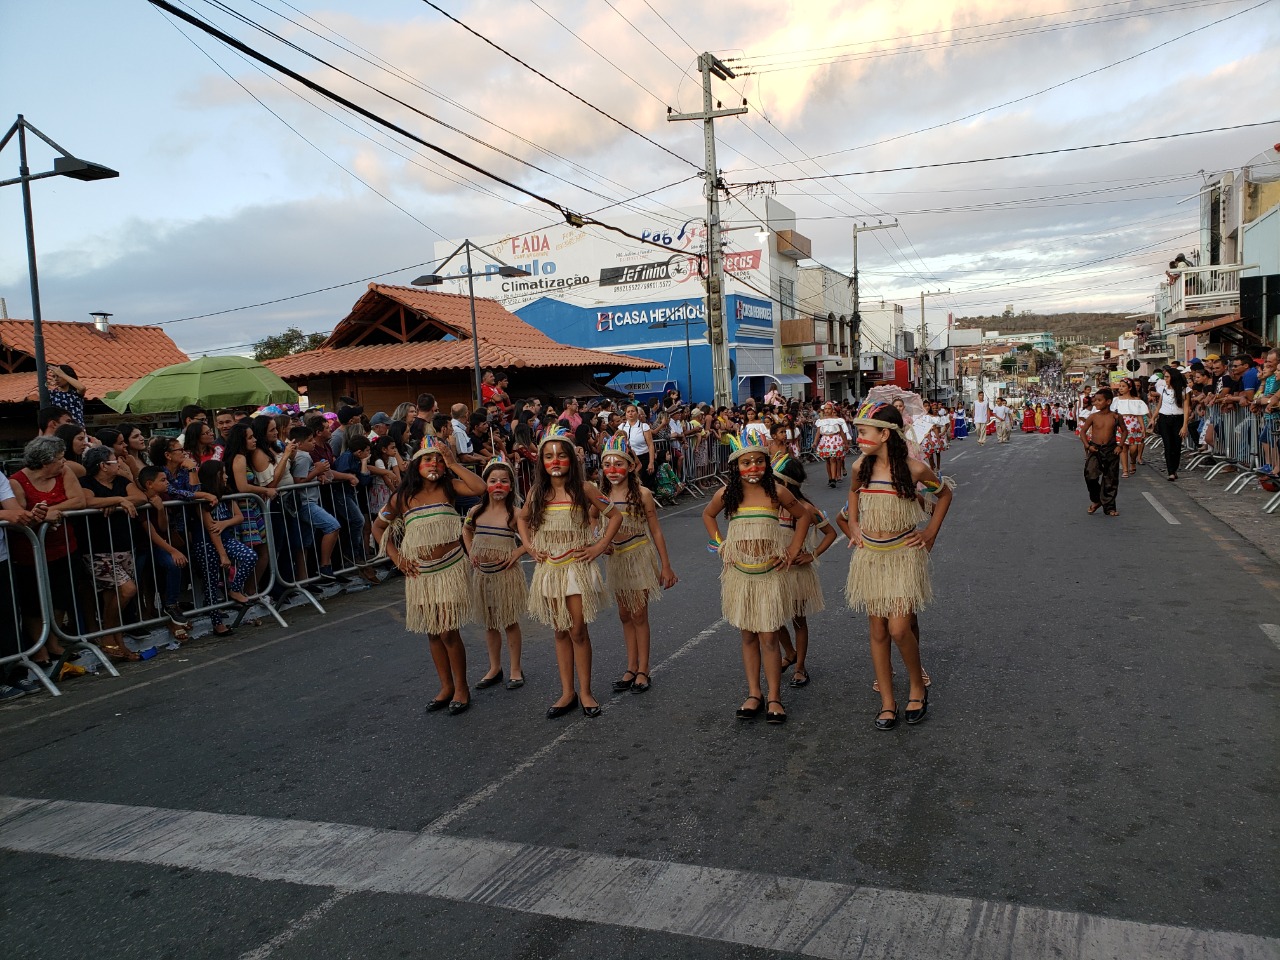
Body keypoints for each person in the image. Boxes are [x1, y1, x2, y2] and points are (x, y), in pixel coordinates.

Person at [843, 402, 953, 730]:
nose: (858, 438)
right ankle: (888, 702)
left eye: (864, 431)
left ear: (885, 434)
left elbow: (944, 495)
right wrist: (854, 526)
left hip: (903, 556)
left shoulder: (915, 469)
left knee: (899, 629)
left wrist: (930, 533)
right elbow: (853, 494)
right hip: (871, 558)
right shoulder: (860, 466)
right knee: (878, 630)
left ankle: (917, 686)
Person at [702, 431, 810, 726]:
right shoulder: (727, 494)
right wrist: (721, 544)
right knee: (748, 634)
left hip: (769, 574)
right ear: (735, 466)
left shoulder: (777, 492)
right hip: (740, 574)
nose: (753, 467)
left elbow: (803, 516)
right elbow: (708, 515)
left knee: (770, 636)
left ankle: (774, 696)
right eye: (746, 462)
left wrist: (792, 550)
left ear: (767, 463)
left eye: (759, 461)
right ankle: (754, 693)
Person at [373, 434, 486, 714]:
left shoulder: (450, 488)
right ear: (416, 464)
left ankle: (461, 688)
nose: (434, 463)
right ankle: (446, 686)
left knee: (448, 630)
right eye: (427, 459)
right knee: (433, 632)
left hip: (450, 568)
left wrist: (453, 462)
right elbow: (378, 528)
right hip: (420, 574)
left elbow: (480, 487)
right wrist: (397, 558)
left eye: (438, 459)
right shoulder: (402, 498)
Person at [517, 425, 622, 719]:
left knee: (578, 630)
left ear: (571, 460)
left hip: (576, 568)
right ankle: (567, 692)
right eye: (549, 456)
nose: (555, 461)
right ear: (541, 462)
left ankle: (585, 691)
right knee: (560, 630)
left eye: (561, 456)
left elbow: (615, 515)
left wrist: (599, 546)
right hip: (550, 570)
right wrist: (529, 547)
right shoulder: (537, 492)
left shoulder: (585, 488)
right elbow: (522, 519)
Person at [598, 435, 677, 696]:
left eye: (618, 464)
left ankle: (643, 668)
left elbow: (656, 530)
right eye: (607, 465)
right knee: (624, 614)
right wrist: (600, 541)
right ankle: (631, 666)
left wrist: (666, 566)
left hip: (639, 555)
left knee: (639, 614)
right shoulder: (601, 495)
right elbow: (590, 519)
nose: (612, 470)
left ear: (631, 466)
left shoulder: (642, 494)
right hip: (616, 560)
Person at [9, 436, 87, 676]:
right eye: (60, 459)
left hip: (64, 547)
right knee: (33, 601)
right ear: (45, 462)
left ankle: (54, 642)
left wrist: (50, 511)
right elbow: (20, 515)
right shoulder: (17, 481)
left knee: (61, 595)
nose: (64, 463)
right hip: (30, 551)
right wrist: (41, 517)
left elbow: (79, 500)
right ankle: (39, 648)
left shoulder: (64, 473)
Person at [771, 454, 836, 689]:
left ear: (786, 483)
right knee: (772, 617)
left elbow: (831, 533)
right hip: (773, 569)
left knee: (798, 619)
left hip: (797, 573)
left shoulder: (806, 508)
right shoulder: (770, 506)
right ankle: (790, 652)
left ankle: (800, 667)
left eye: (775, 480)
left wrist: (812, 554)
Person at [463, 455, 527, 692]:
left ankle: (515, 669)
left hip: (505, 576)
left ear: (511, 485)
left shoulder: (516, 514)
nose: (498, 485)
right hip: (483, 575)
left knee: (509, 621)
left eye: (504, 481)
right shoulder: (476, 511)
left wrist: (517, 552)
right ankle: (494, 667)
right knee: (489, 623)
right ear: (485, 484)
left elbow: (533, 539)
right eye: (493, 481)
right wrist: (471, 550)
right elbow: (466, 530)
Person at [1081, 388, 1125, 516]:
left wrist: (1120, 446)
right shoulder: (1093, 417)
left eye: (1099, 400)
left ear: (1108, 401)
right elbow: (1083, 432)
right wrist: (1087, 446)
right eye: (1095, 400)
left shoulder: (1116, 416)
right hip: (1095, 449)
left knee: (1110, 478)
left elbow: (1124, 431)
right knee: (1090, 475)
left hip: (1111, 449)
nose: (1096, 403)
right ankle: (1097, 500)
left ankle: (1109, 507)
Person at [1152, 367, 1190, 480]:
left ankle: (1174, 468)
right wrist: (1153, 418)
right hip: (1164, 418)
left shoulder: (1184, 390)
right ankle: (1170, 471)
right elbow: (1159, 405)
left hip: (1178, 419)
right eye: (1165, 377)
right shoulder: (1163, 389)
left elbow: (1186, 408)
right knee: (1167, 445)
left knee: (1176, 446)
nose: (1166, 379)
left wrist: (1185, 425)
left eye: (1167, 377)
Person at [1111, 378, 1149, 478]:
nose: (1121, 388)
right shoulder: (1116, 400)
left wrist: (1143, 427)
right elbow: (1113, 414)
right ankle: (1125, 470)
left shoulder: (1136, 400)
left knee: (1133, 448)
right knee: (1123, 448)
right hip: (1121, 425)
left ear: (1130, 388)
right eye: (1120, 386)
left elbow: (1139, 415)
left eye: (1123, 386)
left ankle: (1133, 461)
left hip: (1134, 425)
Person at [619, 403, 656, 488]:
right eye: (628, 412)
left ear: (637, 413)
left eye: (632, 411)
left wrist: (651, 463)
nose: (630, 413)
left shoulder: (644, 426)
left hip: (643, 458)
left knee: (643, 484)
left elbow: (650, 445)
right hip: (628, 459)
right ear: (625, 414)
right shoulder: (622, 427)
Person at [814, 401, 851, 487]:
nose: (827, 410)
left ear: (832, 409)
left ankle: (834, 478)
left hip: (835, 440)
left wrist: (845, 443)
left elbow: (841, 432)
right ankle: (830, 478)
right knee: (827, 460)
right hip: (825, 440)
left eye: (829, 409)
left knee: (833, 459)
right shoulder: (821, 421)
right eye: (825, 409)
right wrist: (815, 442)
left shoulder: (837, 420)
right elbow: (818, 432)